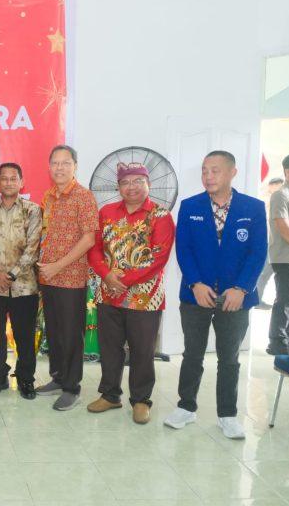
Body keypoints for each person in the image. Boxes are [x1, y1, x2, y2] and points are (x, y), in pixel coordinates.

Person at [164, 150, 266, 439]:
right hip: (197, 295)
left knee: (229, 358)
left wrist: (241, 288)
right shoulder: (190, 206)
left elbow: (258, 252)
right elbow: (184, 249)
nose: (208, 176)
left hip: (236, 297)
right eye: (204, 170)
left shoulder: (253, 208)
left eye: (215, 170)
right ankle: (186, 406)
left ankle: (227, 414)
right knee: (192, 353)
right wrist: (195, 284)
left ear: (232, 172)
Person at [86, 162, 175, 424]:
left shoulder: (161, 215)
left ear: (149, 184)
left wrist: (123, 280)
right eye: (125, 182)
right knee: (110, 349)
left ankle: (141, 400)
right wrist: (107, 276)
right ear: (118, 187)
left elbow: (159, 257)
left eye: (137, 181)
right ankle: (110, 395)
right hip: (108, 294)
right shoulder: (106, 212)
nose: (131, 187)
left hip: (145, 298)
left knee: (142, 351)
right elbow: (95, 248)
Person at [36, 145, 98, 411]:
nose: (59, 168)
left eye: (65, 163)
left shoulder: (84, 197)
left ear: (75, 166)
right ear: (49, 166)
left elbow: (89, 239)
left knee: (72, 335)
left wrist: (57, 266)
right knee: (55, 332)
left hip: (71, 278)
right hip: (48, 278)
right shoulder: (49, 196)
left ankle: (72, 388)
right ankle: (58, 378)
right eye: (55, 163)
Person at [0, 163, 41, 399]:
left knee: (24, 334)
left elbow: (33, 247)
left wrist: (12, 274)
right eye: (3, 179)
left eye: (13, 178)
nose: (8, 182)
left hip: (24, 285)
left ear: (21, 182)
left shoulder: (32, 210)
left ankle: (26, 379)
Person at [267, 154, 289, 355]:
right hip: (285, 257)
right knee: (285, 299)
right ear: (288, 171)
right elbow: (283, 227)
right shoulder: (280, 195)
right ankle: (277, 341)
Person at [255, 176, 284, 309]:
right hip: (270, 243)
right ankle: (258, 299)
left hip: (283, 244)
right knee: (264, 273)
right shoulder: (267, 201)